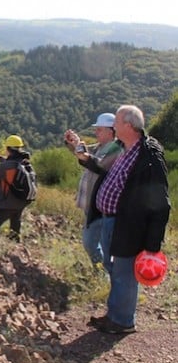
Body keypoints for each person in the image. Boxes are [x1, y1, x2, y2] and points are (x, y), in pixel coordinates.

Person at [77, 105, 170, 334]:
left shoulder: (148, 157)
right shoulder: (124, 148)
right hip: (111, 220)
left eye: (117, 123)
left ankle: (122, 321)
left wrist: (152, 246)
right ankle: (114, 314)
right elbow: (106, 173)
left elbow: (160, 203)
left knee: (124, 272)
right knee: (116, 269)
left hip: (128, 225)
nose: (114, 126)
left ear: (128, 125)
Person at [64, 113, 121, 268]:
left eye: (99, 130)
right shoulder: (100, 147)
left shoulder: (116, 150)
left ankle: (104, 271)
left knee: (91, 243)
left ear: (111, 131)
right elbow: (84, 154)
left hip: (101, 208)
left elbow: (100, 166)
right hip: (93, 206)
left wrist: (85, 156)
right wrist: (73, 143)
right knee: (96, 243)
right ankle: (103, 270)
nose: (96, 133)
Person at [0, 134, 32, 243]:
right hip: (22, 200)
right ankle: (16, 247)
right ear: (19, 148)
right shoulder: (24, 162)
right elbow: (11, 165)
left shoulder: (8, 166)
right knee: (15, 227)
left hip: (9, 203)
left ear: (8, 149)